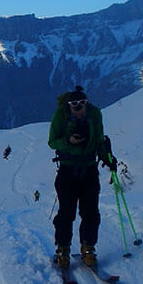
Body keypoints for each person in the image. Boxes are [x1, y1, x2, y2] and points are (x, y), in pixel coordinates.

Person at [47, 86, 116, 268]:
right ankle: (63, 248)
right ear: (69, 105)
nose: (78, 107)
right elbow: (52, 141)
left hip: (89, 169)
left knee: (90, 211)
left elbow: (100, 139)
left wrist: (107, 158)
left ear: (87, 103)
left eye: (82, 104)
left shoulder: (95, 114)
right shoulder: (60, 116)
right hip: (68, 170)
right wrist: (68, 143)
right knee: (66, 212)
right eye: (74, 104)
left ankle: (88, 248)